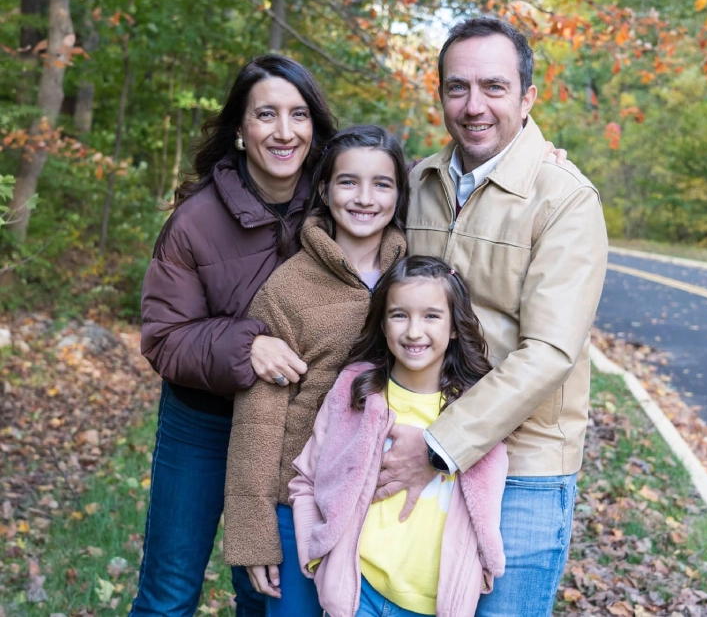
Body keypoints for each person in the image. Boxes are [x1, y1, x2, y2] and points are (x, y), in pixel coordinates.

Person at [377, 16, 608, 616]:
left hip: (524, 468)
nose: (473, 105)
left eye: (494, 87)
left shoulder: (565, 199)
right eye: (458, 87)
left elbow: (550, 352)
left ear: (527, 98)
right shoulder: (419, 183)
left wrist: (439, 445)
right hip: (419, 437)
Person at [131, 55, 338, 616]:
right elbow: (164, 337)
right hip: (202, 422)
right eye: (266, 114)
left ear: (315, 127)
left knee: (265, 592)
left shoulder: (338, 203)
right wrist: (248, 346)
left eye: (299, 114)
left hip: (291, 429)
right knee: (169, 592)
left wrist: (537, 156)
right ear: (241, 130)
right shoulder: (194, 221)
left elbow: (405, 182)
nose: (284, 131)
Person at [223, 125, 409, 616]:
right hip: (301, 503)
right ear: (324, 190)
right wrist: (253, 531)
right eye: (348, 182)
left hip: (389, 501)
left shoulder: (413, 277)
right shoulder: (288, 288)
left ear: (399, 194)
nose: (365, 198)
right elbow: (259, 418)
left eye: (382, 184)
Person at [289, 256, 509, 617]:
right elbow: (306, 480)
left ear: (455, 326)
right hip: (357, 593)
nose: (414, 331)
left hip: (432, 605)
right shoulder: (357, 392)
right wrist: (320, 558)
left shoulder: (475, 414)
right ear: (382, 322)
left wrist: (479, 572)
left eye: (431, 316)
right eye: (399, 315)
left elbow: (484, 510)